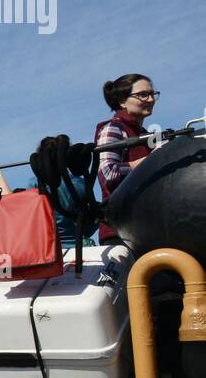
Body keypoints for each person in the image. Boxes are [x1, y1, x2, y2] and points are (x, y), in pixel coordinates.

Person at [95, 73, 157, 245]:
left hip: (147, 227)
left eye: (153, 94)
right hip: (122, 231)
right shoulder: (113, 128)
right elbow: (108, 174)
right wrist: (152, 160)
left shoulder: (146, 135)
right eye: (143, 94)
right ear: (122, 101)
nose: (150, 99)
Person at [29, 136, 98, 248]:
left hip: (48, 251)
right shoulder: (81, 183)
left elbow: (32, 223)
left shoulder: (33, 185)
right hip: (82, 247)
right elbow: (90, 226)